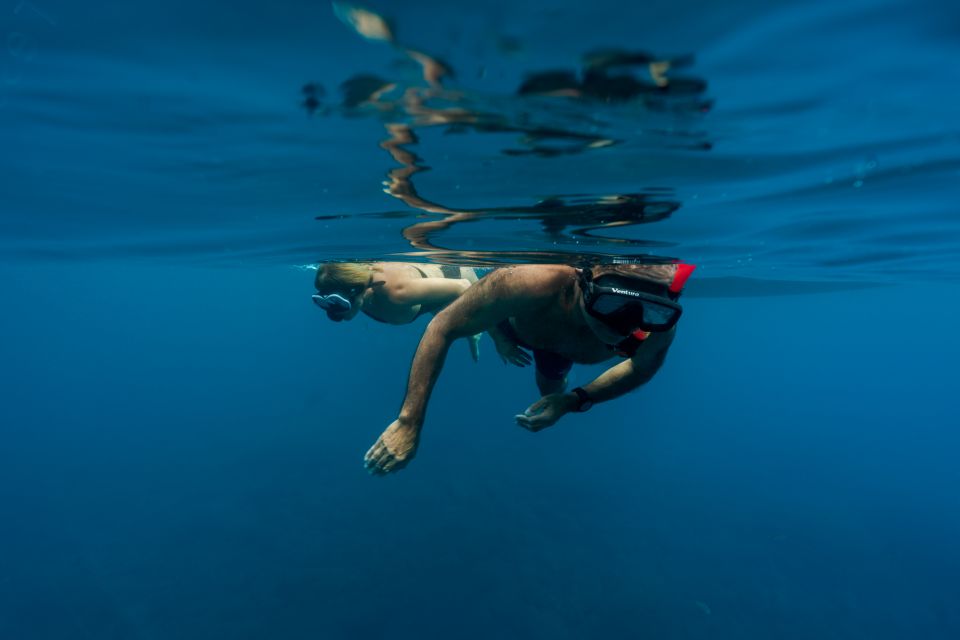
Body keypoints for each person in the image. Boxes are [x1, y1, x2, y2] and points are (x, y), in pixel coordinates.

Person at [363, 262, 696, 475]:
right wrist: (409, 421)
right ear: (583, 283)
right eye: (610, 304)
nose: (621, 324)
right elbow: (443, 326)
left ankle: (559, 391)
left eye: (644, 310)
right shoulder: (530, 282)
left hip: (558, 353)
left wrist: (573, 401)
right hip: (514, 326)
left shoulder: (658, 323)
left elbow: (641, 367)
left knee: (551, 392)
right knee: (541, 376)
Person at [313, 261, 530, 365]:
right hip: (428, 299)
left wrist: (498, 337)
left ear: (356, 291)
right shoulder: (361, 289)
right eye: (323, 301)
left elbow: (463, 287)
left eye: (336, 303)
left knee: (518, 328)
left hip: (455, 275)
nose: (332, 312)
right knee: (443, 315)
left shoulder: (397, 293)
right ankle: (472, 333)